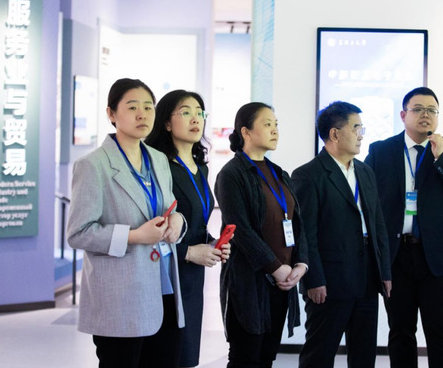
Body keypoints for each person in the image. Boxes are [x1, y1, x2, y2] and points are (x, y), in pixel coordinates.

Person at [67, 78, 186, 368]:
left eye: (148, 107)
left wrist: (177, 220)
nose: (142, 114)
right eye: (132, 107)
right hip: (120, 297)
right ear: (111, 114)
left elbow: (170, 206)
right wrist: (134, 236)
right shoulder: (92, 165)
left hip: (164, 287)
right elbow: (78, 233)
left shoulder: (158, 160)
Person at [365, 87, 443, 368]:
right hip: (396, 255)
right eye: (418, 109)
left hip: (436, 255)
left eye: (431, 110)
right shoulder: (381, 150)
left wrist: (441, 157)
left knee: (439, 330)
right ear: (403, 115)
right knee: (401, 330)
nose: (426, 115)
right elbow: (364, 197)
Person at [292, 101, 392, 368]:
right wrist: (314, 279)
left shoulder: (365, 172)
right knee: (319, 354)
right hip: (329, 282)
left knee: (364, 355)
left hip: (367, 277)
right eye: (356, 128)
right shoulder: (308, 175)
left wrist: (384, 272)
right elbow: (305, 234)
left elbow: (378, 225)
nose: (361, 135)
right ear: (335, 134)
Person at [214, 102, 309, 368]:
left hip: (282, 282)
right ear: (245, 131)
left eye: (276, 124)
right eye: (267, 124)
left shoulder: (279, 173)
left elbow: (297, 223)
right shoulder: (231, 174)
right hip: (249, 281)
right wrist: (275, 267)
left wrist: (301, 264)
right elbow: (240, 230)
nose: (275, 130)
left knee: (266, 357)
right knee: (246, 357)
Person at [146, 90, 231, 368]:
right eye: (185, 112)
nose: (196, 119)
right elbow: (149, 226)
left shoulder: (200, 168)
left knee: (185, 354)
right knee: (164, 354)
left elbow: (197, 221)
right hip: (165, 272)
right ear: (166, 123)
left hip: (193, 276)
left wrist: (213, 243)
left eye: (199, 112)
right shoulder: (157, 167)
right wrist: (188, 252)